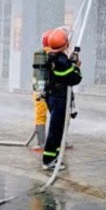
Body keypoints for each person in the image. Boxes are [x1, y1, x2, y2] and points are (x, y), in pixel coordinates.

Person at [41, 27, 82, 171]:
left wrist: (70, 64)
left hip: (51, 97)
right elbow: (74, 79)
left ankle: (55, 156)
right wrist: (76, 67)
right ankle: (49, 160)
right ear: (65, 44)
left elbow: (62, 75)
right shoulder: (62, 61)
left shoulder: (50, 56)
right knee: (56, 130)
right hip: (59, 99)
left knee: (58, 129)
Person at [32, 30, 51, 151]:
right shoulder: (58, 54)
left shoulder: (39, 54)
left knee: (40, 116)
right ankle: (62, 140)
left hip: (39, 91)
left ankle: (41, 143)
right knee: (59, 116)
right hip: (54, 91)